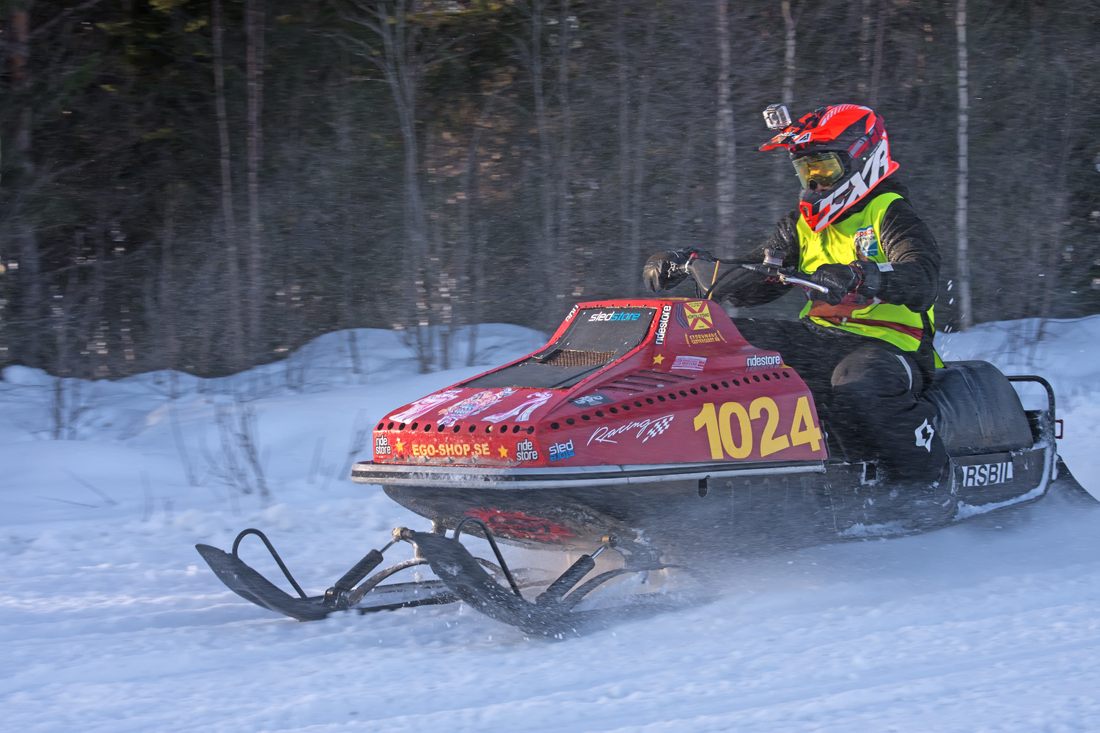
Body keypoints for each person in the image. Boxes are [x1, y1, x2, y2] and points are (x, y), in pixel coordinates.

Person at [643, 104, 948, 486]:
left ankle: (927, 483)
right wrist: (690, 263)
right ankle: (685, 460)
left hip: (894, 347)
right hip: (822, 339)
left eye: (824, 169)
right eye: (806, 171)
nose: (815, 183)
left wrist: (861, 275)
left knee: (859, 383)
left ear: (863, 159)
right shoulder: (799, 225)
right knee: (721, 342)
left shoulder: (890, 213)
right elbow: (754, 279)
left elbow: (921, 276)